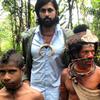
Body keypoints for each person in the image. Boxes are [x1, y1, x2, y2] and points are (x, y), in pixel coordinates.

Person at [22, 0, 73, 100]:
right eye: (43, 10)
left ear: (56, 12)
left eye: (50, 10)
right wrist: (25, 81)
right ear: (38, 13)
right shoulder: (29, 37)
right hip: (34, 92)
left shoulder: (67, 36)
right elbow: (25, 62)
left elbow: (72, 64)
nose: (46, 14)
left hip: (59, 92)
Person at [60, 29, 100, 100]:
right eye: (86, 52)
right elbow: (63, 97)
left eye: (92, 51)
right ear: (75, 54)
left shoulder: (98, 73)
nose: (90, 56)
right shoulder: (65, 74)